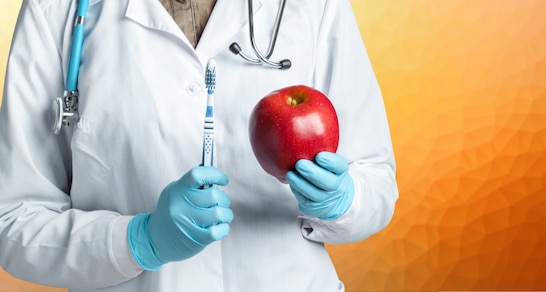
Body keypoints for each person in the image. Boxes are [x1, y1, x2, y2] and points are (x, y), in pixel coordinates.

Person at [0, 0, 398, 291]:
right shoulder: (57, 10)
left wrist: (343, 202)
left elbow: (375, 180)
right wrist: (139, 241)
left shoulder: (311, 7)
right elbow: (14, 219)